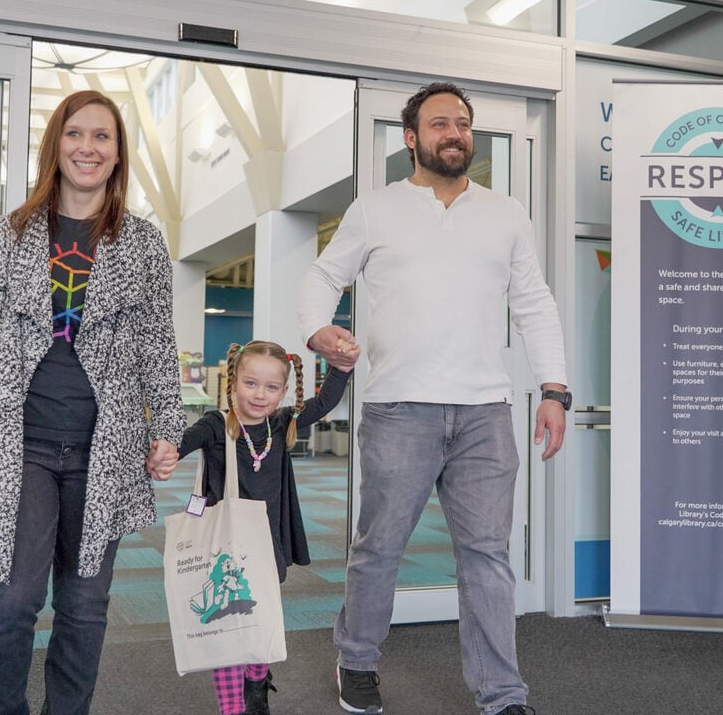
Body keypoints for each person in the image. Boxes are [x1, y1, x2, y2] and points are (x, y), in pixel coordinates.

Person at [298, 82, 570, 715]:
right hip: (399, 408)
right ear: (411, 137)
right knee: (379, 548)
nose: (455, 133)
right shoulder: (375, 209)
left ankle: (502, 693)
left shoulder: (505, 212)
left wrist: (554, 388)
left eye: (463, 124)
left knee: (488, 557)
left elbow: (534, 304)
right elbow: (324, 274)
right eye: (440, 123)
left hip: (485, 413)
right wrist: (316, 330)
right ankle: (356, 660)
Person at [0, 89, 183, 715]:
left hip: (106, 448)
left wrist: (168, 426)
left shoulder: (142, 242)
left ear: (118, 154)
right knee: (10, 599)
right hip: (22, 444)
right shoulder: (12, 234)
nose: (87, 148)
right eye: (75, 134)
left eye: (102, 136)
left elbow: (158, 342)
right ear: (56, 145)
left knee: (84, 604)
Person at [177, 339, 357, 715]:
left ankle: (257, 681)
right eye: (251, 383)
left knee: (260, 622)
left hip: (266, 546)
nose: (260, 394)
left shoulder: (280, 423)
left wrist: (342, 366)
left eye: (271, 387)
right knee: (227, 633)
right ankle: (232, 708)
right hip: (223, 550)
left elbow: (324, 402)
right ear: (233, 382)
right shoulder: (216, 425)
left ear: (284, 390)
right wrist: (162, 453)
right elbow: (181, 443)